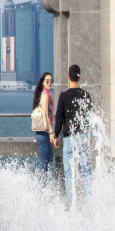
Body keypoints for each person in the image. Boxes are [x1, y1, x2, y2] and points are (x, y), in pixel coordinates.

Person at [54, 64, 93, 209]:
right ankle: (90, 202)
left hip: (69, 138)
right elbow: (89, 116)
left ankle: (72, 204)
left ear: (68, 77)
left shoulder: (64, 96)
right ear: (79, 77)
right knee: (86, 171)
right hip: (82, 136)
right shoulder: (85, 95)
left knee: (69, 173)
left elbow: (59, 118)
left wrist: (55, 135)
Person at [31, 71, 57, 181]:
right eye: (47, 81)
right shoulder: (45, 95)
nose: (50, 83)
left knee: (49, 159)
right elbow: (46, 114)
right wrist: (51, 132)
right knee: (44, 161)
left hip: (43, 131)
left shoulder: (45, 93)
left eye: (51, 81)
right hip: (43, 131)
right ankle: (41, 186)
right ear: (43, 82)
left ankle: (42, 182)